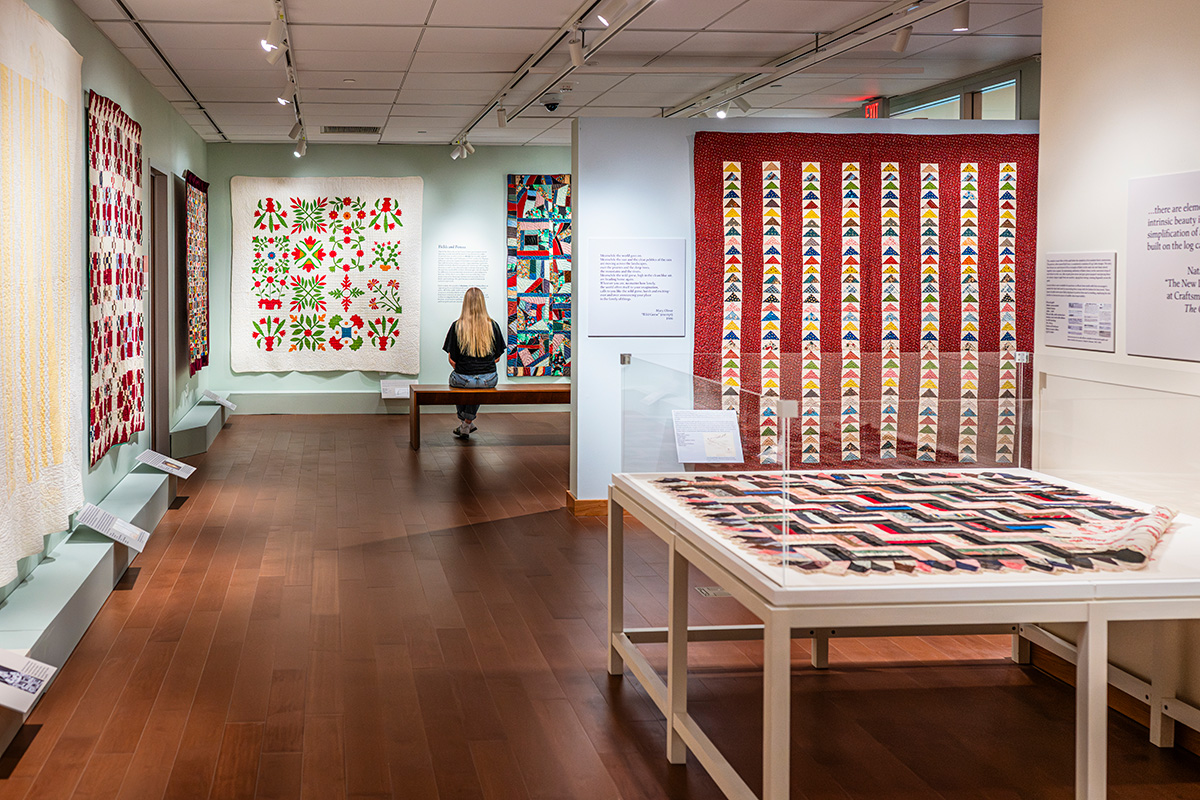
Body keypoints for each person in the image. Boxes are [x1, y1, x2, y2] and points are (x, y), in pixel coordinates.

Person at [443, 287, 506, 439]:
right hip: (489, 379)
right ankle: (467, 423)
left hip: (463, 378)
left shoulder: (457, 326)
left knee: (466, 384)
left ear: (465, 304)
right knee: (478, 385)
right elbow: (497, 357)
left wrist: (466, 369)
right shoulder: (493, 325)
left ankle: (465, 423)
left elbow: (452, 359)